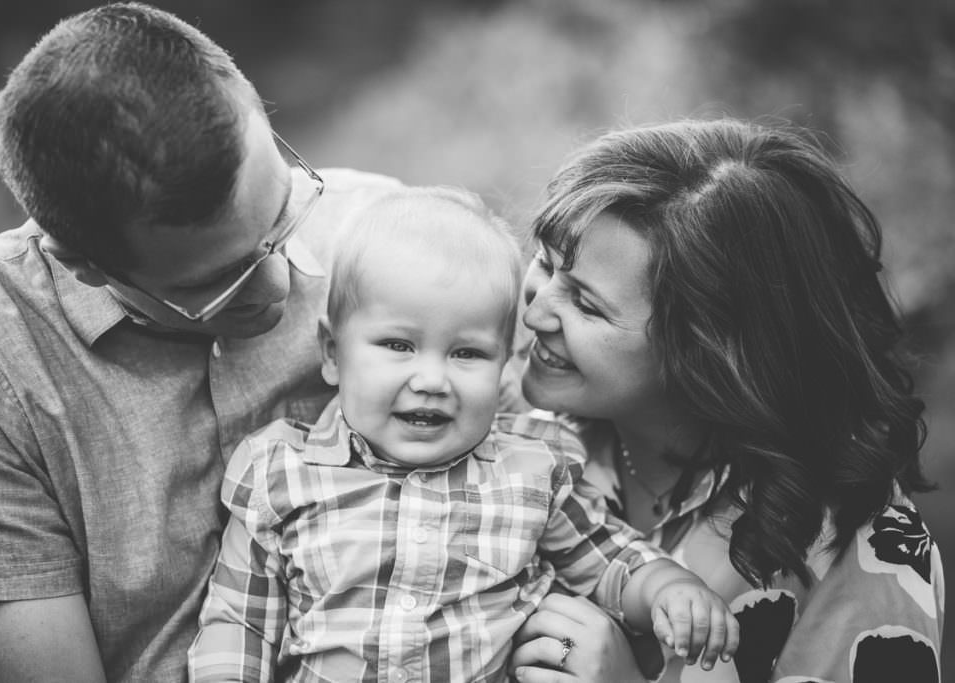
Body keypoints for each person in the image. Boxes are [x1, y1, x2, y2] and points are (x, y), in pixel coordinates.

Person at [0, 3, 402, 681]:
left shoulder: (383, 233)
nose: (280, 281)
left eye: (284, 214)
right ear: (82, 262)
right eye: (221, 282)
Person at [187, 187, 741, 682]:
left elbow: (610, 559)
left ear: (505, 364)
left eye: (467, 353)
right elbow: (239, 623)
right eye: (398, 346)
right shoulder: (280, 471)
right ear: (333, 353)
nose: (431, 380)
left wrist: (669, 589)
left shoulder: (531, 472)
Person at [506, 118, 945, 682]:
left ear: (707, 350)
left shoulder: (856, 546)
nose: (535, 311)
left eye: (587, 306)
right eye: (544, 262)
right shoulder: (515, 439)